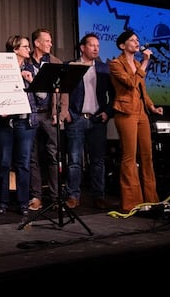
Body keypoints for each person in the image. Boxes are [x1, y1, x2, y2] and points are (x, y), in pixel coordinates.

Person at [109, 29, 163, 213]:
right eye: (132, 40)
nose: (136, 42)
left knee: (147, 156)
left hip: (141, 113)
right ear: (122, 45)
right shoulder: (115, 64)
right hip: (125, 112)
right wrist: (146, 63)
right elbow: (131, 83)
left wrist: (152, 107)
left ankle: (151, 199)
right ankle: (132, 203)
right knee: (129, 157)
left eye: (137, 39)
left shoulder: (139, 64)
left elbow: (141, 91)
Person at [64, 33, 115, 210]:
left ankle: (98, 196)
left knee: (98, 161)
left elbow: (114, 95)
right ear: (82, 47)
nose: (96, 48)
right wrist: (67, 112)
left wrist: (108, 113)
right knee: (75, 161)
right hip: (77, 119)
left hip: (97, 120)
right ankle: (73, 196)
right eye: (92, 45)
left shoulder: (103, 69)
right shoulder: (71, 66)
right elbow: (62, 91)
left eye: (98, 46)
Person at [0, 35, 38, 217]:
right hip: (4, 123)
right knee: (3, 162)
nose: (28, 50)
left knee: (23, 163)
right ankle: (2, 201)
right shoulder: (0, 68)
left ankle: (23, 202)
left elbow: (42, 98)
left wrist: (32, 81)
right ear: (15, 49)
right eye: (25, 47)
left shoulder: (32, 68)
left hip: (25, 122)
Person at [27, 28, 69, 211]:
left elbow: (64, 92)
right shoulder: (24, 61)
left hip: (50, 114)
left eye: (51, 41)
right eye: (47, 41)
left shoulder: (55, 62)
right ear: (37, 43)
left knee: (53, 156)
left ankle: (56, 197)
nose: (50, 44)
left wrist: (60, 113)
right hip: (31, 114)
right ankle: (35, 196)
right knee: (32, 157)